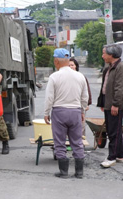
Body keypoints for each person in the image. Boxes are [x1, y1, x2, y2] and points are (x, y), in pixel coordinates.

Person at [44, 48, 88, 179]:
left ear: (56, 61)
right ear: (68, 60)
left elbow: (49, 98)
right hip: (75, 112)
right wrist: (82, 110)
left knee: (60, 142)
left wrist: (46, 112)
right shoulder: (80, 76)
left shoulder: (54, 76)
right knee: (77, 142)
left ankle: (64, 172)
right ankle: (79, 172)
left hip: (59, 112)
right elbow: (84, 97)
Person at [97, 44, 123, 168]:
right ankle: (120, 155)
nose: (102, 55)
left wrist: (115, 104)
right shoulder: (109, 67)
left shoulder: (121, 67)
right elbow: (104, 87)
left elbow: (120, 88)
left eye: (104, 53)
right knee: (114, 129)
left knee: (113, 131)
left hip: (116, 104)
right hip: (108, 102)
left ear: (111, 55)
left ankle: (112, 157)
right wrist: (103, 103)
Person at [69, 57, 92, 137]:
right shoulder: (65, 77)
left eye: (72, 65)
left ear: (76, 66)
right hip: (68, 104)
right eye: (68, 65)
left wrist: (87, 104)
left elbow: (86, 91)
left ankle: (81, 142)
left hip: (79, 104)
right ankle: (68, 142)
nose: (70, 67)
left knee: (81, 125)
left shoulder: (81, 77)